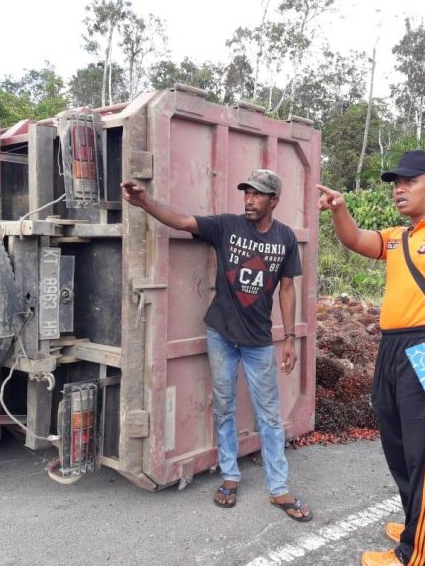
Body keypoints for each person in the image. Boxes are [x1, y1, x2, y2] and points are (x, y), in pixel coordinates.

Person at [317, 150, 425, 566]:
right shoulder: (398, 236)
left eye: (409, 181)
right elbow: (356, 239)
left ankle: (417, 553)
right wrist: (340, 210)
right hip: (392, 346)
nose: (399, 189)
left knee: (424, 453)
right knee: (398, 445)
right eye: (396, 182)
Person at [121, 170, 313, 522]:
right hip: (221, 334)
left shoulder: (285, 238)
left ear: (275, 200)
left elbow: (288, 289)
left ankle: (278, 487)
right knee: (224, 406)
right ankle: (230, 475)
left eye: (258, 195)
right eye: (247, 193)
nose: (250, 200)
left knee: (269, 416)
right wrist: (144, 201)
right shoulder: (226, 226)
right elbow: (180, 220)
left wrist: (288, 337)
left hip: (258, 341)